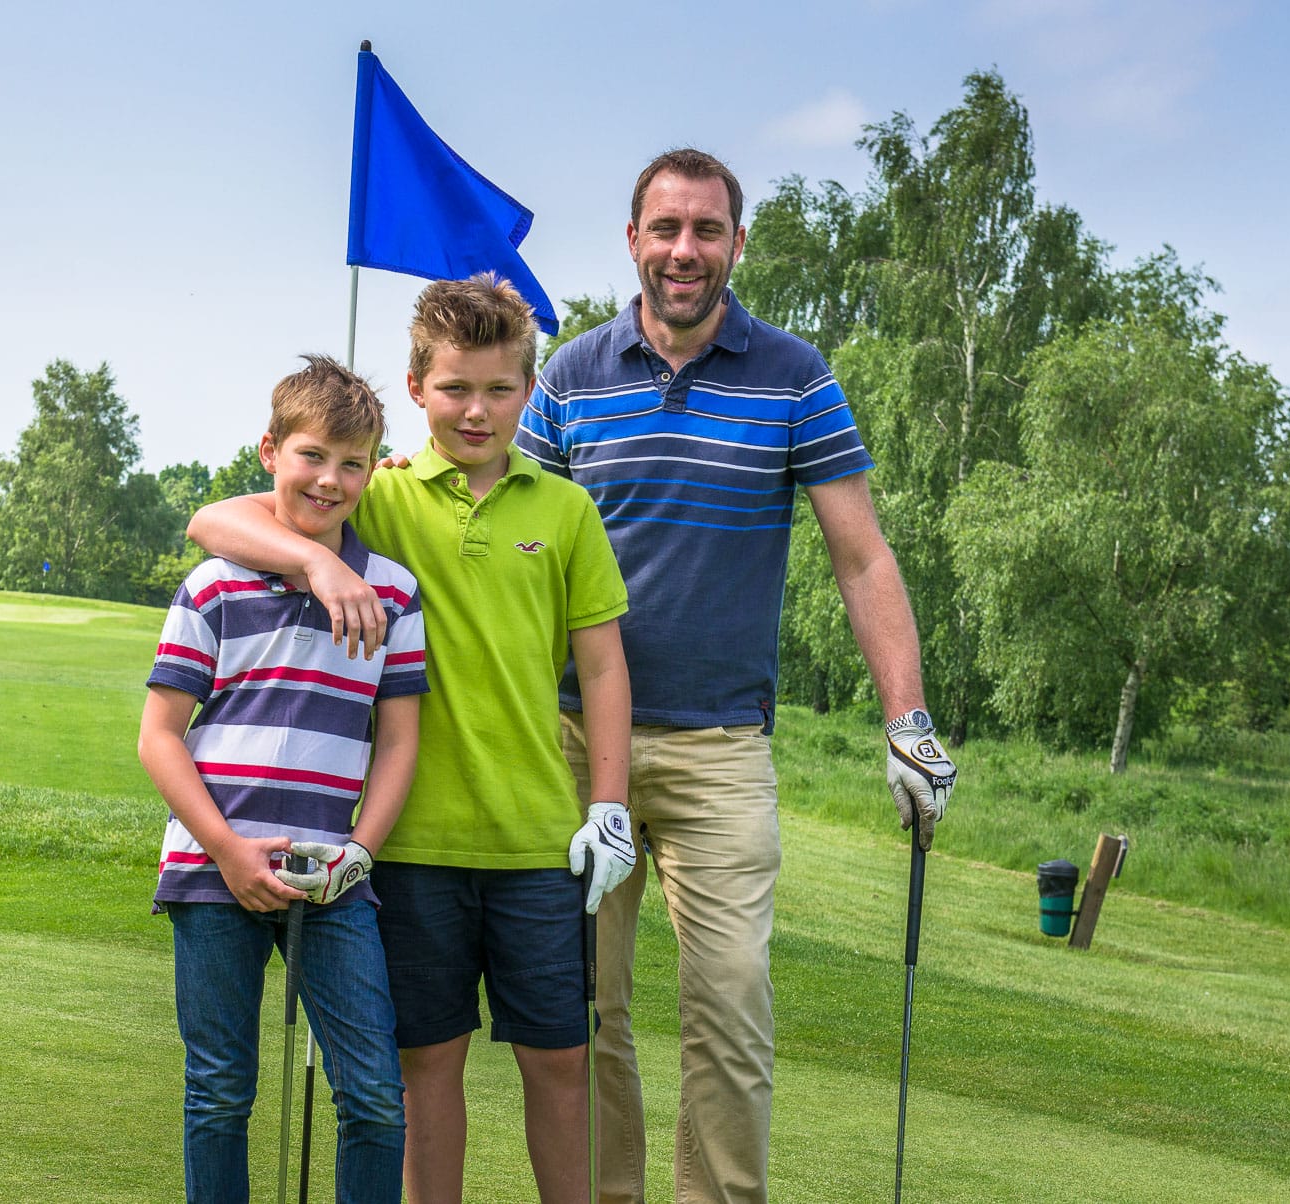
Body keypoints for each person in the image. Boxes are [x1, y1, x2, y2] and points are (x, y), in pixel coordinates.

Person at [515, 148, 958, 1203]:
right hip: (578, 745)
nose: (683, 251)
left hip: (719, 746)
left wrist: (908, 718)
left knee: (729, 1006)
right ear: (631, 241)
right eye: (664, 229)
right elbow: (512, 545)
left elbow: (861, 554)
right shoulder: (571, 374)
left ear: (735, 244)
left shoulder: (793, 374)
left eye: (705, 230)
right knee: (587, 1011)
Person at [188, 274, 636, 1204]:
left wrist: (610, 804)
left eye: (501, 389)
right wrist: (315, 554)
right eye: (456, 389)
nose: (478, 411)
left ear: (529, 391)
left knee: (558, 1064)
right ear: (418, 389)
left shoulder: (565, 512)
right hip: (413, 848)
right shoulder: (377, 496)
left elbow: (601, 671)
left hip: (537, 841)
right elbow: (214, 520)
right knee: (429, 1068)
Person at [138, 354, 428, 1204]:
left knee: (374, 1095)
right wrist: (226, 850)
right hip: (214, 868)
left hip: (334, 876)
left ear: (374, 469)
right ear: (270, 451)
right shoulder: (215, 585)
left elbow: (399, 745)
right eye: (312, 456)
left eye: (352, 462)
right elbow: (160, 737)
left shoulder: (395, 595)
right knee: (221, 1092)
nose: (330, 479)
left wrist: (360, 853)